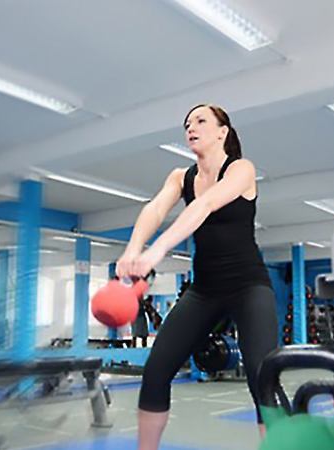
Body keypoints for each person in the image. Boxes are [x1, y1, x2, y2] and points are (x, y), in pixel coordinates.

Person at [115, 104, 278, 450]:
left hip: (248, 286)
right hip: (204, 290)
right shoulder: (180, 177)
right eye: (188, 123)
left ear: (222, 132)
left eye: (201, 121)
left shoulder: (241, 169)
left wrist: (156, 252)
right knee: (156, 370)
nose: (191, 127)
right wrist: (133, 248)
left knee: (262, 377)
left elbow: (204, 206)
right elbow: (155, 208)